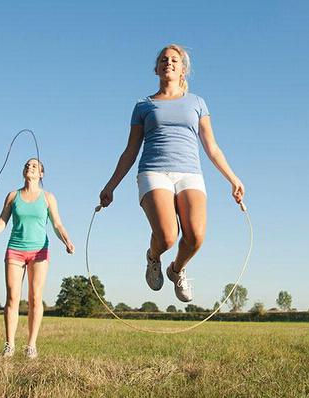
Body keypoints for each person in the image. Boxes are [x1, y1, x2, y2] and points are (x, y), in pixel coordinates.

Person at [99, 44, 245, 302]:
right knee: (167, 236)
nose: (169, 63)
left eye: (174, 60)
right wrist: (111, 186)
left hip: (190, 172)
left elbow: (211, 147)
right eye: (164, 60)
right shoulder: (143, 105)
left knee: (196, 236)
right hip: (153, 172)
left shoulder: (197, 102)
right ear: (156, 68)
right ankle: (153, 257)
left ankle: (176, 270)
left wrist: (233, 179)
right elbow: (130, 151)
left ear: (183, 70)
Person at [0, 158, 74, 358]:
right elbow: (1, 222)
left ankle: (31, 346)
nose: (30, 167)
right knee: (12, 297)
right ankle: (9, 345)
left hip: (39, 252)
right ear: (23, 171)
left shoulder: (48, 197)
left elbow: (57, 224)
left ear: (41, 174)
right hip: (15, 250)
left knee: (35, 297)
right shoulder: (13, 196)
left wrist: (67, 241)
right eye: (27, 165)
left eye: (35, 166)